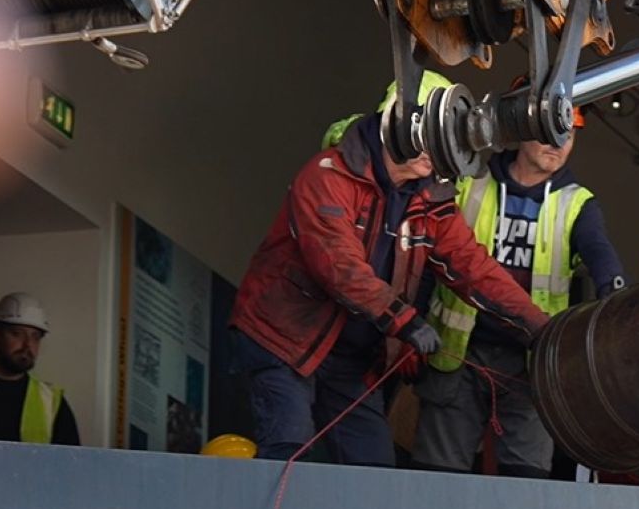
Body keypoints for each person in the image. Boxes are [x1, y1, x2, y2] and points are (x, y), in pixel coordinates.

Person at [230, 75, 550, 465]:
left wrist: (539, 326)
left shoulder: (430, 199)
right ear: (397, 124)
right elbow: (339, 266)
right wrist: (404, 320)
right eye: (429, 139)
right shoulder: (328, 175)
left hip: (349, 360)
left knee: (375, 471)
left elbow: (474, 267)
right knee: (288, 451)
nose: (436, 154)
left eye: (444, 143)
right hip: (283, 340)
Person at [411, 96, 625, 479]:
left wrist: (615, 293)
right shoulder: (469, 181)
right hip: (459, 354)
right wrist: (410, 321)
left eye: (568, 134)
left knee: (526, 484)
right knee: (436, 479)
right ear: (520, 128)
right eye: (548, 131)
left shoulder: (578, 203)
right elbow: (429, 257)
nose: (557, 143)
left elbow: (600, 252)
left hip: (532, 362)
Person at [0, 292, 81, 445]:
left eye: (35, 337)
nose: (28, 345)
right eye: (17, 334)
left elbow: (71, 458)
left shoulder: (51, 402)